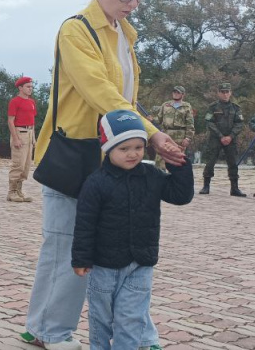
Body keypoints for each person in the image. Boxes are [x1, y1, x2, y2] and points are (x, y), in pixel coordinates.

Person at [20, 0, 185, 350]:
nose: (134, 3)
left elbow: (123, 97)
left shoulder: (122, 34)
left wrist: (142, 135)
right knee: (67, 247)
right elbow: (102, 92)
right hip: (75, 154)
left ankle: (47, 328)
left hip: (110, 156)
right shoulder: (76, 29)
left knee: (113, 247)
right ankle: (51, 332)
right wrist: (150, 133)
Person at [72, 109, 194, 350]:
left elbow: (180, 196)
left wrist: (179, 165)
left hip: (140, 264)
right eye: (124, 148)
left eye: (138, 147)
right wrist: (81, 258)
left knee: (131, 318)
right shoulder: (96, 182)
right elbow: (85, 224)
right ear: (107, 148)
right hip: (103, 266)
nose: (132, 154)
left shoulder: (151, 175)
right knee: (101, 319)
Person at [198, 82, 246, 197]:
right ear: (218, 93)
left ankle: (234, 188)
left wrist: (230, 136)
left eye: (227, 92)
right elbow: (210, 122)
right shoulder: (213, 107)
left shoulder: (236, 108)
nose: (225, 94)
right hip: (215, 139)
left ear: (230, 93)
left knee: (233, 163)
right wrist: (221, 136)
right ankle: (206, 186)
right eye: (222, 92)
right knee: (210, 162)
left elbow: (239, 124)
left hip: (231, 139)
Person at [7, 76, 37, 203]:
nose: (30, 89)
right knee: (18, 164)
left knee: (26, 165)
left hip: (29, 133)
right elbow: (10, 121)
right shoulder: (15, 101)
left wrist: (34, 138)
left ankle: (19, 190)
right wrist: (15, 138)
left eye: (31, 86)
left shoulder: (32, 102)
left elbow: (33, 121)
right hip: (20, 132)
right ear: (20, 88)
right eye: (28, 87)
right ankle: (12, 192)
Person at [152, 86, 195, 170]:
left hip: (180, 136)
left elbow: (190, 124)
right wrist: (151, 119)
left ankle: (177, 179)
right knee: (160, 157)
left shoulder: (186, 107)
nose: (175, 94)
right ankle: (159, 177)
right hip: (166, 133)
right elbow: (159, 119)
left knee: (178, 158)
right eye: (174, 92)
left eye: (178, 92)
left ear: (183, 94)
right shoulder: (165, 105)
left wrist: (188, 138)